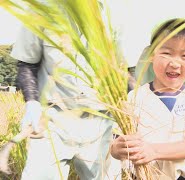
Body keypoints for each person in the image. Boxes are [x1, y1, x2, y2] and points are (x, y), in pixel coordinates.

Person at [10, 9, 118, 180]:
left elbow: (126, 71)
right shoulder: (40, 9)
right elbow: (27, 63)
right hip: (53, 120)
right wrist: (32, 102)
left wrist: (125, 123)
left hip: (101, 122)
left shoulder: (113, 13)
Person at [110, 18, 185, 180]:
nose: (174, 63)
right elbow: (116, 143)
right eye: (166, 53)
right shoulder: (135, 97)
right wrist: (117, 148)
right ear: (152, 56)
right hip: (141, 176)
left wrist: (153, 151)